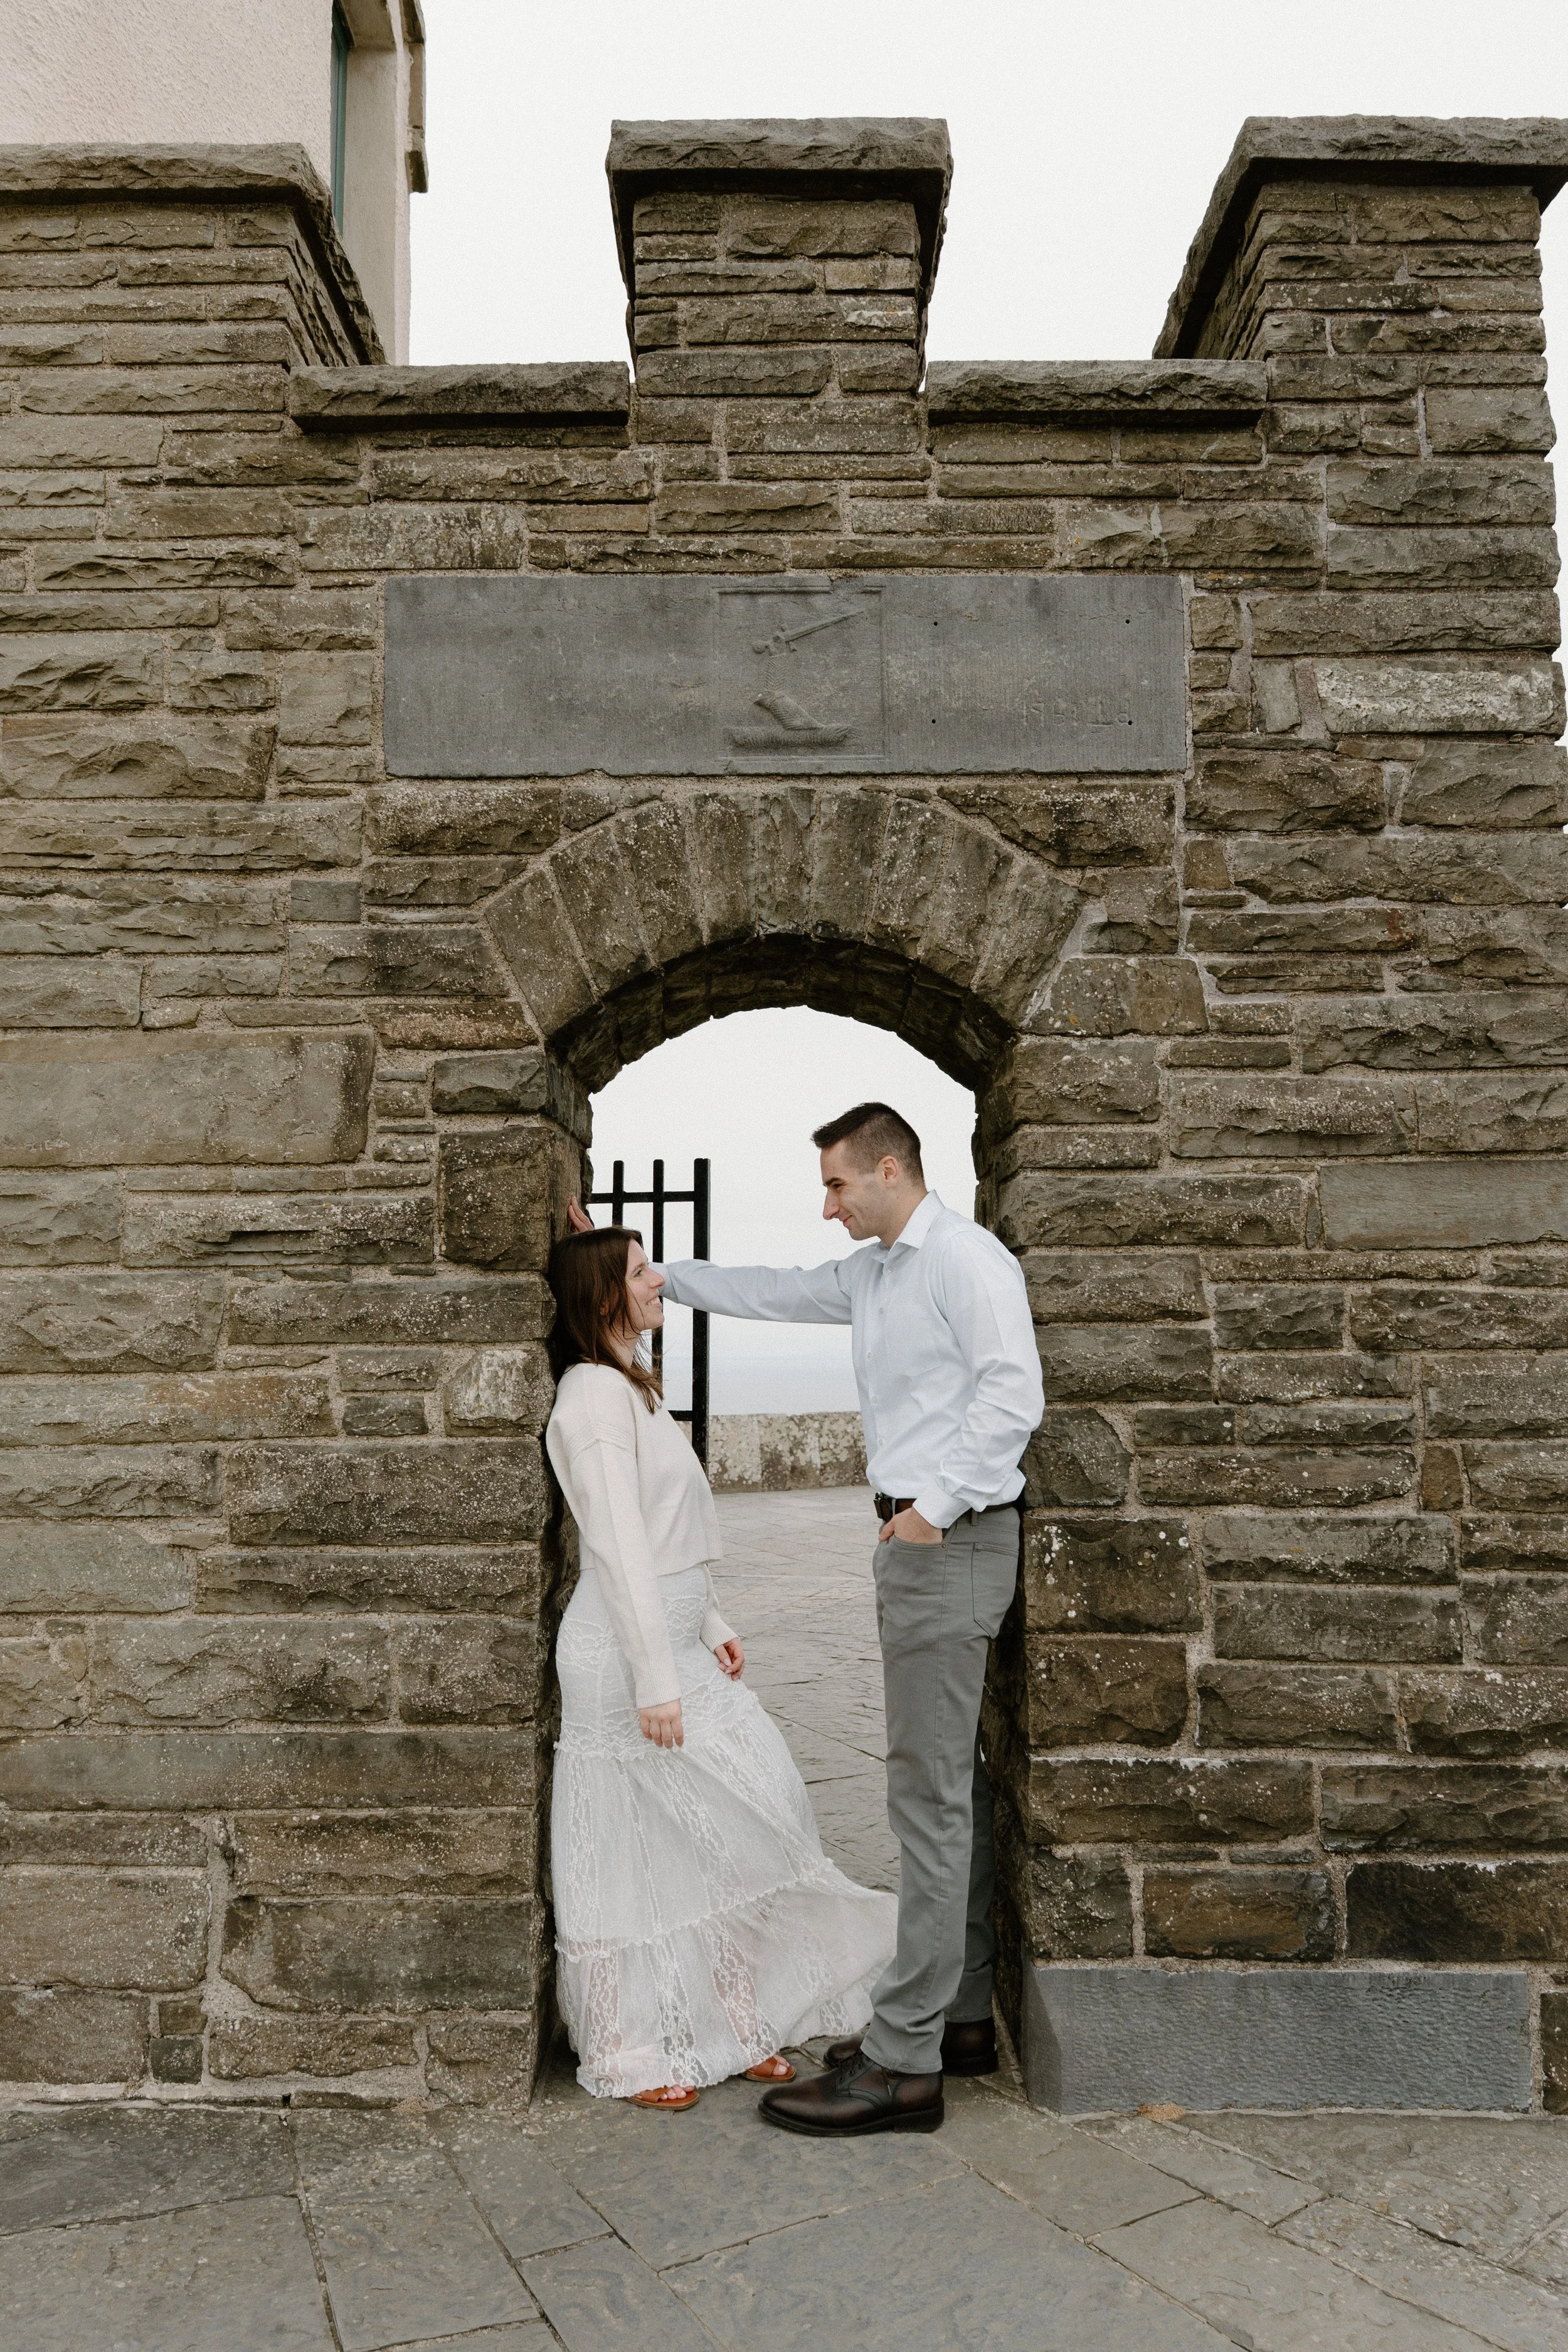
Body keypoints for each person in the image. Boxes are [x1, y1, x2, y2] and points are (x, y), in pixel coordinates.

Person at [652, 1102, 1044, 2137]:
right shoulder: (873, 1273)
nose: (826, 1206)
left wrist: (929, 1512)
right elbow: (773, 1293)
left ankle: (904, 2061)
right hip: (923, 1547)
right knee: (947, 1782)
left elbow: (1014, 1398)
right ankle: (956, 2015)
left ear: (887, 1167)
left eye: (836, 1185)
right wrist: (662, 1276)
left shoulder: (968, 1261)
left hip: (948, 1546)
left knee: (926, 1801)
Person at [544, 1220, 896, 2111]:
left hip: (674, 1640)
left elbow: (669, 1534)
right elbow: (619, 1544)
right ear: (602, 1298)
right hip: (625, 1662)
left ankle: (735, 2024)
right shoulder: (591, 1397)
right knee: (638, 1858)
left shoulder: (633, 1384)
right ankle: (629, 2048)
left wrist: (711, 1622)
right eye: (638, 1272)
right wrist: (657, 1675)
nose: (658, 1282)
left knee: (742, 1828)